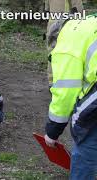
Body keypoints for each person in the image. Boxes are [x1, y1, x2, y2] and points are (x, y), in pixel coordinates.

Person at [44, 14, 97, 179]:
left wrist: (52, 132)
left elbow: (65, 92)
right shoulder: (86, 25)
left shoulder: (65, 45)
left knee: (85, 128)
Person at [44, 0, 84, 86]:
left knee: (52, 53)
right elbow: (78, 8)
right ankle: (63, 82)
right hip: (66, 23)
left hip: (52, 23)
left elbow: (46, 8)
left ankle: (51, 81)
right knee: (68, 53)